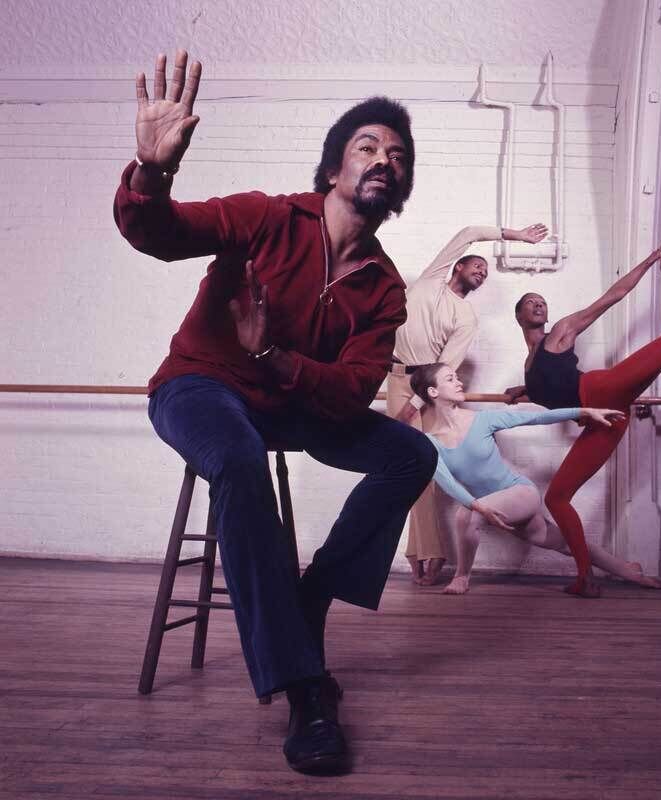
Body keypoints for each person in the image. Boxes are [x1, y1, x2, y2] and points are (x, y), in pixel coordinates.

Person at [114, 50, 437, 775]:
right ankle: (304, 691)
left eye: (397, 155)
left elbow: (352, 392)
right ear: (332, 171)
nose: (383, 158)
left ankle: (312, 593)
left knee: (410, 453)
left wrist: (277, 362)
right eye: (367, 146)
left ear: (402, 185)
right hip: (202, 389)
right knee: (233, 454)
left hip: (287, 399)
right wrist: (152, 172)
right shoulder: (265, 218)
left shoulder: (384, 289)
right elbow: (158, 234)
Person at [505, 232, 661, 597]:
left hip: (603, 390)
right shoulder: (530, 365)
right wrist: (525, 390)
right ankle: (584, 578)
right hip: (605, 420)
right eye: (531, 302)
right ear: (519, 316)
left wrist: (657, 254)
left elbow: (614, 296)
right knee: (556, 498)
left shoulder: (560, 332)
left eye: (542, 301)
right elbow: (555, 388)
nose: (539, 304)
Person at [387, 222, 548, 586]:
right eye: (477, 266)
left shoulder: (466, 317)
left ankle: (427, 552)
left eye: (486, 273)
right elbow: (469, 232)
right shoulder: (431, 279)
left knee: (420, 467)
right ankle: (419, 551)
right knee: (400, 467)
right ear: (457, 266)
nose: (482, 272)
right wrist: (518, 237)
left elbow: (444, 368)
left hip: (423, 389)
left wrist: (414, 402)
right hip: (393, 376)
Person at [409, 364, 661, 594]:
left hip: (520, 494)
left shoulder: (482, 419)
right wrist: (480, 507)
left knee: (465, 514)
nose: (459, 382)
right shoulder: (430, 442)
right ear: (432, 391)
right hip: (492, 508)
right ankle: (628, 570)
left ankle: (461, 578)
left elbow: (534, 417)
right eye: (450, 379)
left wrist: (585, 410)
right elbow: (447, 483)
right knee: (565, 543)